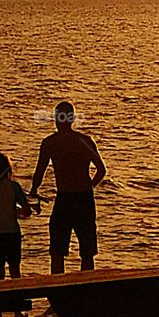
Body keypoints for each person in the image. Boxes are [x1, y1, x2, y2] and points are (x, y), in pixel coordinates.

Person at [30, 100, 106, 273]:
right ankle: (86, 287)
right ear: (72, 119)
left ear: (57, 119)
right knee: (87, 252)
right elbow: (101, 170)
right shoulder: (84, 141)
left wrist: (34, 191)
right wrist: (89, 186)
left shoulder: (50, 143)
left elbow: (39, 172)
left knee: (57, 251)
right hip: (84, 199)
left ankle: (58, 290)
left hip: (64, 199)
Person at [0, 151, 32, 317]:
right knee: (15, 272)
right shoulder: (14, 186)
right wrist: (26, 211)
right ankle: (17, 311)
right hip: (11, 233)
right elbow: (26, 211)